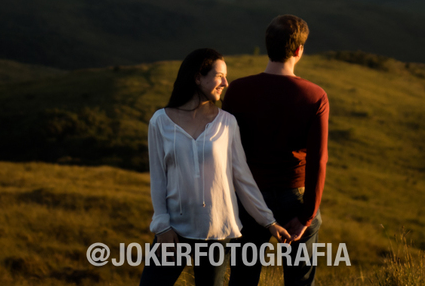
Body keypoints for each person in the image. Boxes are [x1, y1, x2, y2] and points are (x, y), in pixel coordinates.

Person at [140, 47, 291, 286]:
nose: (226, 83)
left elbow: (241, 178)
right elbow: (158, 178)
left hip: (216, 232)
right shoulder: (160, 121)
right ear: (198, 77)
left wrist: (268, 221)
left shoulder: (227, 123)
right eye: (220, 76)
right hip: (174, 230)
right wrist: (162, 227)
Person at [223, 15, 329, 286]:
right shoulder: (314, 95)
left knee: (243, 279)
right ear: (298, 50)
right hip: (295, 197)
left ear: (268, 46)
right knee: (300, 281)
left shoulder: (237, 90)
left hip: (249, 197)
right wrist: (306, 216)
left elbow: (226, 150)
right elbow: (318, 160)